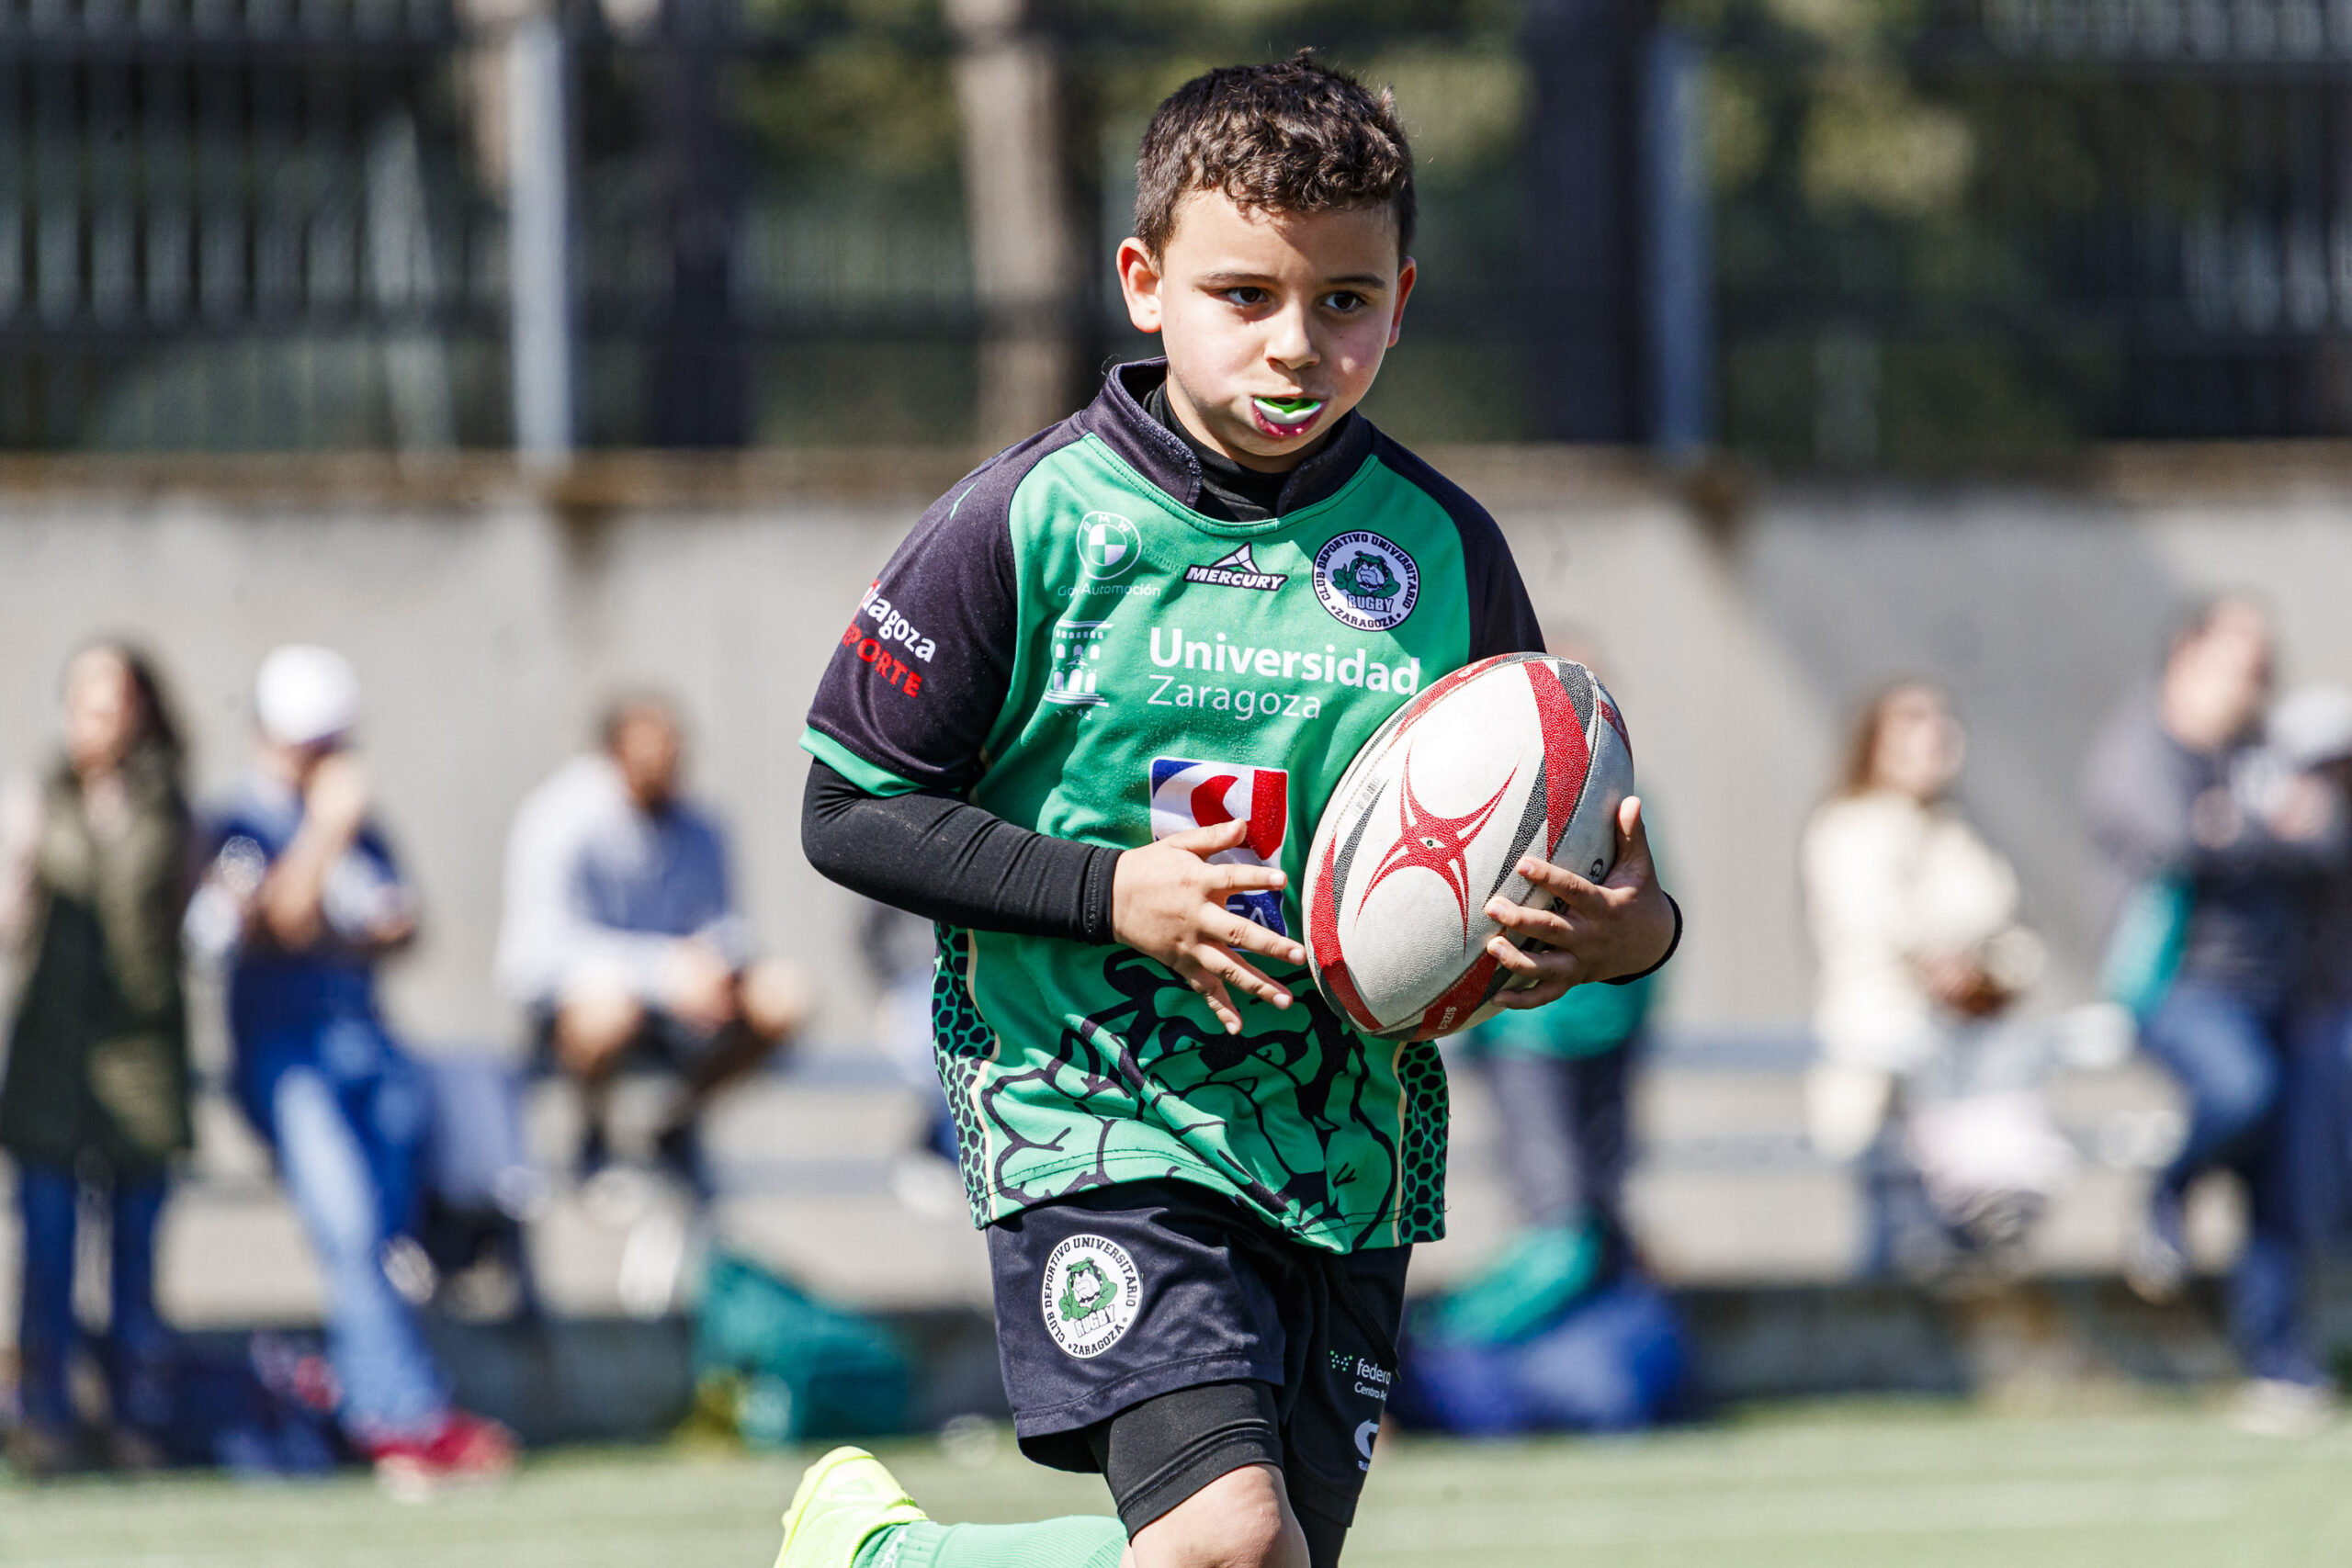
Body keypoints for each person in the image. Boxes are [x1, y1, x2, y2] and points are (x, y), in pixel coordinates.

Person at [778, 54, 1679, 1568]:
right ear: (1144, 282)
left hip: (1340, 1149)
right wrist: (1108, 892)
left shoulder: (1445, 552)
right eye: (1243, 294)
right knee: (1229, 1549)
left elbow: (1552, 867)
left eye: (1344, 301)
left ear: (1403, 297)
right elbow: (851, 813)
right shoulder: (1024, 527)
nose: (1295, 344)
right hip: (1098, 1115)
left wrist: (1625, 932)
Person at [183, 645, 514, 1489]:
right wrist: (326, 839)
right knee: (352, 1234)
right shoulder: (239, 824)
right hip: (288, 1056)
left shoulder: (366, 825)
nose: (322, 757)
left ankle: (370, 1397)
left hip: (371, 1045)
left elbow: (405, 926)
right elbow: (261, 926)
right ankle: (401, 1418)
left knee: (388, 1239)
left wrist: (341, 900)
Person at [2083, 596, 2338, 1430]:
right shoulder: (2139, 746)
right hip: (2179, 985)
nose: (2259, 682)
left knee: (2284, 1179)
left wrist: (2244, 832)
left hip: (2281, 989)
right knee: (2241, 1089)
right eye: (2243, 663)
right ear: (2187, 658)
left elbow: (2327, 843)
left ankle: (2282, 1364)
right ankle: (2170, 1187)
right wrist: (2261, 832)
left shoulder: (2261, 751)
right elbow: (2172, 841)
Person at [0, 644, 193, 1475]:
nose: (97, 717)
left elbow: (192, 921)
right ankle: (44, 1421)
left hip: (143, 1057)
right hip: (52, 1060)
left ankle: (134, 1420)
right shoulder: (35, 803)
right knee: (46, 1252)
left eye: (111, 700)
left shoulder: (173, 811)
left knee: (135, 1260)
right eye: (83, 699)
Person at [495, 694, 809, 1194]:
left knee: (784, 997)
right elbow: (532, 958)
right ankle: (596, 1135)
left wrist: (716, 967)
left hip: (683, 1012)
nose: (664, 772)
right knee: (607, 1010)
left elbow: (725, 924)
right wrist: (662, 975)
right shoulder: (557, 819)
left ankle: (676, 1122)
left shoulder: (702, 825)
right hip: (583, 1013)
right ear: (612, 756)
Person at [1803, 682, 2046, 1277]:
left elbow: (2015, 942)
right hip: (1889, 1078)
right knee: (1903, 1246)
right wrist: (1954, 959)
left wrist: (1984, 975)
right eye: (1913, 719)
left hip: (1972, 1080)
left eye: (1942, 718)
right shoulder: (1846, 828)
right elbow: (1880, 929)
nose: (1934, 733)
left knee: (1976, 1252)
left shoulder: (1961, 835)